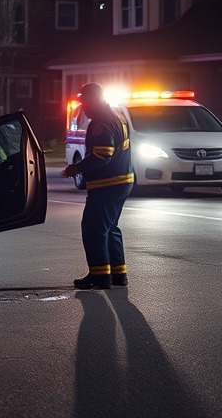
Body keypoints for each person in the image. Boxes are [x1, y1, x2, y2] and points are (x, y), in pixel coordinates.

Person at [61, 83, 134, 289]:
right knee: (110, 228)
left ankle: (100, 276)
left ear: (93, 99)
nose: (82, 106)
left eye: (83, 101)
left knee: (93, 229)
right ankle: (118, 274)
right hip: (121, 182)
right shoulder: (117, 114)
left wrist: (76, 168)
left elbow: (103, 155)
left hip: (107, 185)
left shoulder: (101, 122)